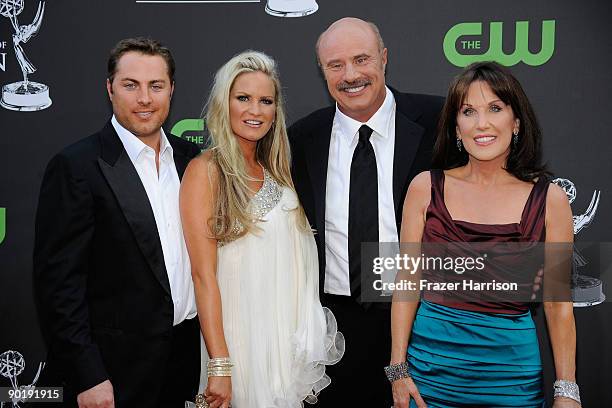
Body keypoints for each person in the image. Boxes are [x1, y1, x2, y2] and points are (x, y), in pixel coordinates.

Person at [389, 61, 580, 407]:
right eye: (468, 112)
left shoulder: (549, 199)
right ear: (456, 127)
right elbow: (407, 282)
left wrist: (567, 390)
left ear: (516, 121)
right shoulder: (425, 188)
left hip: (512, 379)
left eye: (495, 108)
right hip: (430, 376)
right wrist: (398, 370)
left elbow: (557, 303)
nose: (482, 124)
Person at [33, 38, 201, 407]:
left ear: (171, 89)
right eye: (131, 85)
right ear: (110, 88)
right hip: (114, 372)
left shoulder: (192, 160)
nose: (145, 98)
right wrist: (87, 375)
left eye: (156, 86)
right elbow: (59, 287)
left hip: (186, 362)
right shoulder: (76, 167)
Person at [288, 17, 443, 406]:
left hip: (422, 320)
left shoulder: (440, 122)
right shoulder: (301, 138)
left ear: (384, 58)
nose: (350, 75)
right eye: (335, 65)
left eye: (362, 59)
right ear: (321, 71)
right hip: (334, 329)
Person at [180, 50, 344, 408]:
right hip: (240, 348)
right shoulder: (206, 171)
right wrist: (220, 365)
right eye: (244, 98)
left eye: (265, 101)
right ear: (225, 103)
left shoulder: (279, 171)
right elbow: (203, 276)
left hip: (283, 346)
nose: (255, 110)